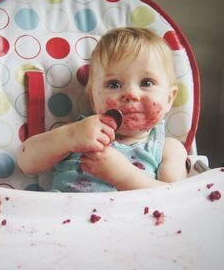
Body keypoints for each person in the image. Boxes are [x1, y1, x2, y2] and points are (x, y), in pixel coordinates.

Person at [17, 27, 188, 192]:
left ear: (169, 99)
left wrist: (123, 176)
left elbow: (175, 198)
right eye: (114, 84)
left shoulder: (168, 148)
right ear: (92, 99)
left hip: (133, 220)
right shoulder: (80, 132)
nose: (130, 94)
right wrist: (69, 136)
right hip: (63, 217)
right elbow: (26, 163)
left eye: (146, 83)